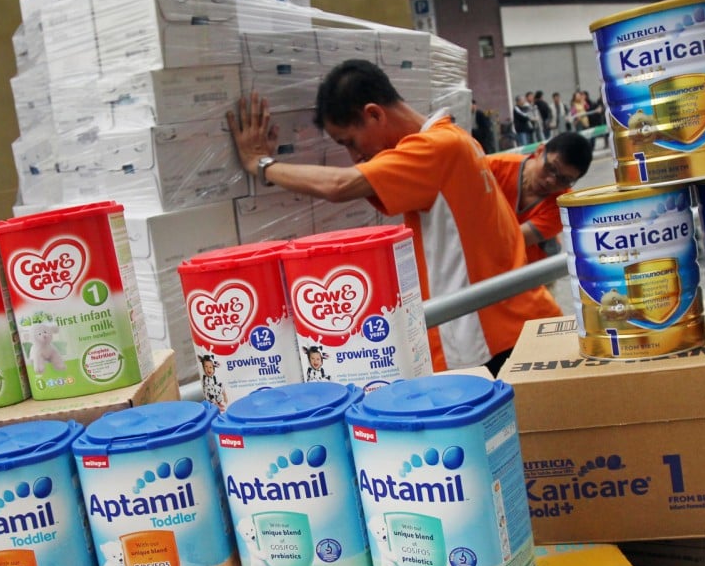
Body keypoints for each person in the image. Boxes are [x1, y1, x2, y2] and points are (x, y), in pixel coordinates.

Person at [227, 59, 562, 376]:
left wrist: (260, 164)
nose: (355, 156)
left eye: (350, 142)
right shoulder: (458, 140)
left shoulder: (435, 148)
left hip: (481, 341)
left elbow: (340, 184)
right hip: (508, 324)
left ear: (373, 114)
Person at [488, 132, 593, 264]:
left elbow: (511, 241)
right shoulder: (493, 167)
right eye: (551, 168)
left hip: (526, 273)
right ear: (540, 151)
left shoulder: (563, 206)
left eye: (564, 180)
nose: (551, 180)